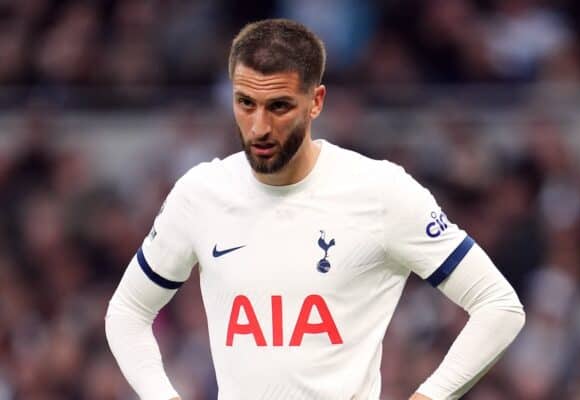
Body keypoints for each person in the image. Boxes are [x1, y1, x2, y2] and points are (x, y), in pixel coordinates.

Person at [105, 19, 525, 400]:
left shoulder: (380, 191)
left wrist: (430, 397)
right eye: (245, 103)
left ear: (316, 101)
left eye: (279, 106)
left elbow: (498, 305)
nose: (259, 127)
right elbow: (127, 312)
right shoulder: (200, 193)